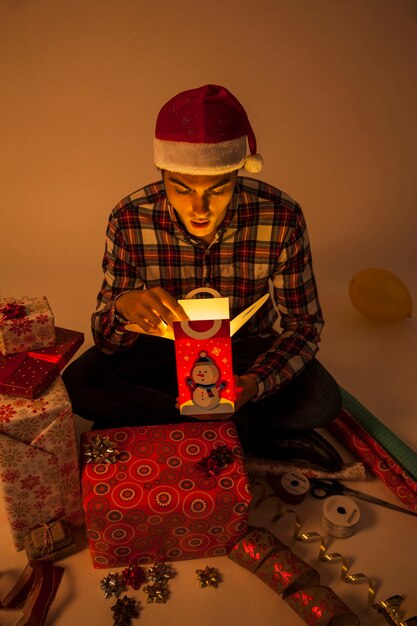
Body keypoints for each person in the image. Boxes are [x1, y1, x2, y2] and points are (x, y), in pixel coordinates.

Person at [63, 84, 342, 470]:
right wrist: (124, 308)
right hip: (160, 351)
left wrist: (254, 384)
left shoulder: (281, 217)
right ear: (161, 173)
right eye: (180, 188)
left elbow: (304, 325)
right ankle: (243, 431)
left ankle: (150, 425)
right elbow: (107, 342)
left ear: (238, 173)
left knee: (322, 399)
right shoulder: (130, 217)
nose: (199, 208)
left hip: (244, 349)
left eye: (218, 189)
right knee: (79, 383)